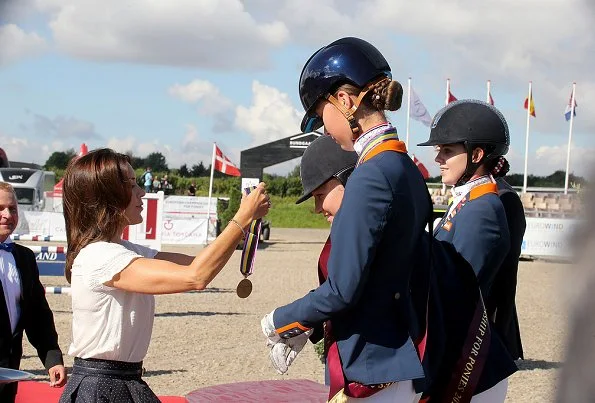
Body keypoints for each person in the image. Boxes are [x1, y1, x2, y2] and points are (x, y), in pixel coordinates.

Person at [261, 37, 432, 402]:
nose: (323, 130)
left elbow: (342, 288)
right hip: (398, 356)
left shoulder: (371, 175)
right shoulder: (404, 167)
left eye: (321, 115)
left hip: (370, 363)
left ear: (345, 100)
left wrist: (279, 320)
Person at [58, 148, 270, 402]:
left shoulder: (122, 251)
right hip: (102, 388)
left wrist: (242, 227)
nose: (142, 192)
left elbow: (200, 263)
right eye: (132, 185)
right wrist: (242, 217)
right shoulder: (99, 257)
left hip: (119, 381)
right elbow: (196, 276)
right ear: (107, 195)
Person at [418, 100, 518, 401]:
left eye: (447, 150)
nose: (438, 157)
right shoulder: (468, 203)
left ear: (476, 155)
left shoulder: (481, 211)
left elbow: (453, 295)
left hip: (469, 365)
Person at [0, 182, 66, 402]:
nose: (7, 215)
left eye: (12, 209)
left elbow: (38, 315)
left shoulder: (25, 258)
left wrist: (52, 357)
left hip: (9, 373)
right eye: (0, 208)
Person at [487, 168, 526, 361]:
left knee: (501, 295)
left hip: (500, 267)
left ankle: (501, 347)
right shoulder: (499, 191)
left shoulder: (504, 195)